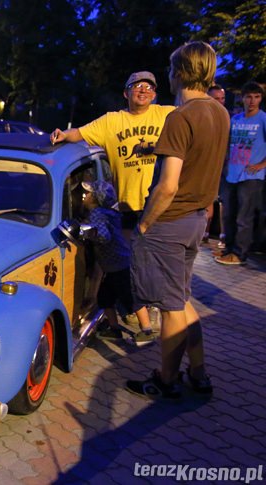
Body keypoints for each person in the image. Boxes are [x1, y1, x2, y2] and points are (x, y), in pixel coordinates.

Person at [126, 41, 230, 399]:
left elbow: (168, 185)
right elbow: (206, 161)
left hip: (169, 223)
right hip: (197, 218)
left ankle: (166, 380)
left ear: (181, 72)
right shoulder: (220, 112)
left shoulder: (180, 116)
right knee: (183, 299)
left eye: (171, 69)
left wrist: (143, 225)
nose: (169, 76)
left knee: (170, 307)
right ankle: (198, 372)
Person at [51, 72, 175, 238]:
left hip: (160, 204)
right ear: (126, 93)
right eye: (137, 86)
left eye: (148, 87)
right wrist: (64, 135)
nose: (143, 90)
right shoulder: (111, 121)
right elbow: (80, 132)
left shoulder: (168, 115)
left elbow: (193, 119)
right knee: (133, 257)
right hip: (128, 206)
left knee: (158, 257)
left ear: (154, 95)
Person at [79, 180, 155, 346]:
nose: (85, 196)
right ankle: (114, 329)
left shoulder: (97, 214)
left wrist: (85, 232)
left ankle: (147, 331)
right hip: (115, 265)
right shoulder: (108, 213)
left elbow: (103, 236)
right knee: (105, 297)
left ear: (96, 198)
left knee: (130, 298)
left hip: (118, 265)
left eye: (89, 193)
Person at [215, 81, 266, 265]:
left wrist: (261, 165)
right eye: (249, 96)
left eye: (256, 97)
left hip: (251, 177)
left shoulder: (263, 119)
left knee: (244, 217)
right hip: (232, 174)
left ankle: (240, 252)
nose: (252, 101)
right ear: (242, 98)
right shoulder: (236, 119)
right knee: (229, 214)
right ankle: (228, 248)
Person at [206, 84, 228, 248]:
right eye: (216, 99)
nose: (220, 102)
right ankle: (204, 233)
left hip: (225, 167)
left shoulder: (228, 118)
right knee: (207, 200)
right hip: (206, 166)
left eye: (222, 99)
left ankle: (222, 236)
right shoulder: (204, 117)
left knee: (222, 202)